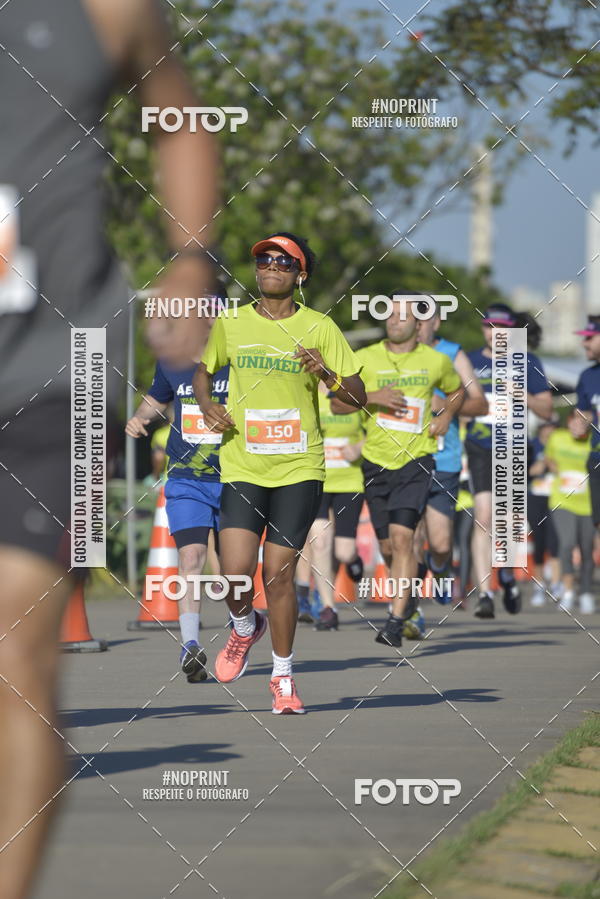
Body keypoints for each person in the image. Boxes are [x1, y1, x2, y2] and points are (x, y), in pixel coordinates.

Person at [0, 3, 219, 895]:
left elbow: (180, 116)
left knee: (17, 644)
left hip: (63, 366)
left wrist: (192, 258)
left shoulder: (109, 7)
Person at [194, 233, 366, 713]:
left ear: (300, 273)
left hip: (298, 464)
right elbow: (203, 372)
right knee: (232, 576)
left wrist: (328, 371)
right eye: (264, 260)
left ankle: (283, 678)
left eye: (283, 261)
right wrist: (208, 404)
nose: (271, 266)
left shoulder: (320, 327)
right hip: (243, 463)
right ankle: (246, 627)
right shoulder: (231, 323)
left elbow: (357, 396)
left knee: (278, 575)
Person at [334, 295, 464, 648]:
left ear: (418, 324)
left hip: (416, 461)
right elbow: (337, 401)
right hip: (376, 462)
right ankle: (408, 598)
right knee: (389, 547)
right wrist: (373, 397)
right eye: (390, 315)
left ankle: (395, 619)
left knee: (405, 537)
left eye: (403, 316)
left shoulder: (435, 361)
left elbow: (457, 391)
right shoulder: (365, 358)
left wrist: (447, 416)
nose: (395, 320)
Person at [126, 300, 229, 681]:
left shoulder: (240, 361)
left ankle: (244, 627)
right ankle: (191, 645)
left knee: (233, 571)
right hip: (186, 479)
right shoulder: (173, 361)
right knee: (191, 559)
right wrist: (139, 418)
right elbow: (157, 398)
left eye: (211, 310)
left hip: (236, 478)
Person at [465, 304, 552, 619]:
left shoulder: (528, 362)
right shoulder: (470, 361)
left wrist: (521, 395)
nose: (494, 332)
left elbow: (546, 410)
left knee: (511, 522)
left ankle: (507, 575)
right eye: (489, 326)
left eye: (501, 327)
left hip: (515, 446)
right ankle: (485, 594)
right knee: (484, 517)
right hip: (478, 445)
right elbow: (449, 399)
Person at [413, 304, 488, 608]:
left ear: (437, 321)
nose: (416, 325)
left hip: (444, 460)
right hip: (403, 459)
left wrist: (442, 403)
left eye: (423, 319)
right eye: (410, 319)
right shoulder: (391, 356)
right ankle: (408, 610)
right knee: (408, 538)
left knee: (441, 543)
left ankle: (441, 567)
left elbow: (480, 405)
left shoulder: (453, 353)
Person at [297, 380, 365, 631]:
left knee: (343, 552)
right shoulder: (305, 392)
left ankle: (353, 558)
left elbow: (376, 429)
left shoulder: (352, 392)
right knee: (319, 539)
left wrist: (360, 447)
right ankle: (328, 607)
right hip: (317, 479)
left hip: (349, 481)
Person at [545, 412, 595, 614]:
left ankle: (585, 592)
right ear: (569, 420)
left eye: (583, 422)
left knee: (587, 550)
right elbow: (548, 457)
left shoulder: (594, 442)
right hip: (561, 501)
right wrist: (551, 464)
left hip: (589, 504)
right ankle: (567, 591)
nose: (578, 425)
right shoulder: (557, 437)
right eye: (575, 420)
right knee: (566, 543)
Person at [527, 421, 561, 607]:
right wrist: (537, 467)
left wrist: (552, 462)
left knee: (555, 541)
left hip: (557, 498)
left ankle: (556, 584)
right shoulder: (531, 445)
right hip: (535, 498)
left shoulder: (560, 446)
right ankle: (539, 585)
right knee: (539, 542)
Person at [573, 316, 600, 534]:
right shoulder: (587, 376)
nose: (584, 343)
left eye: (590, 338)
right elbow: (582, 416)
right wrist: (579, 425)